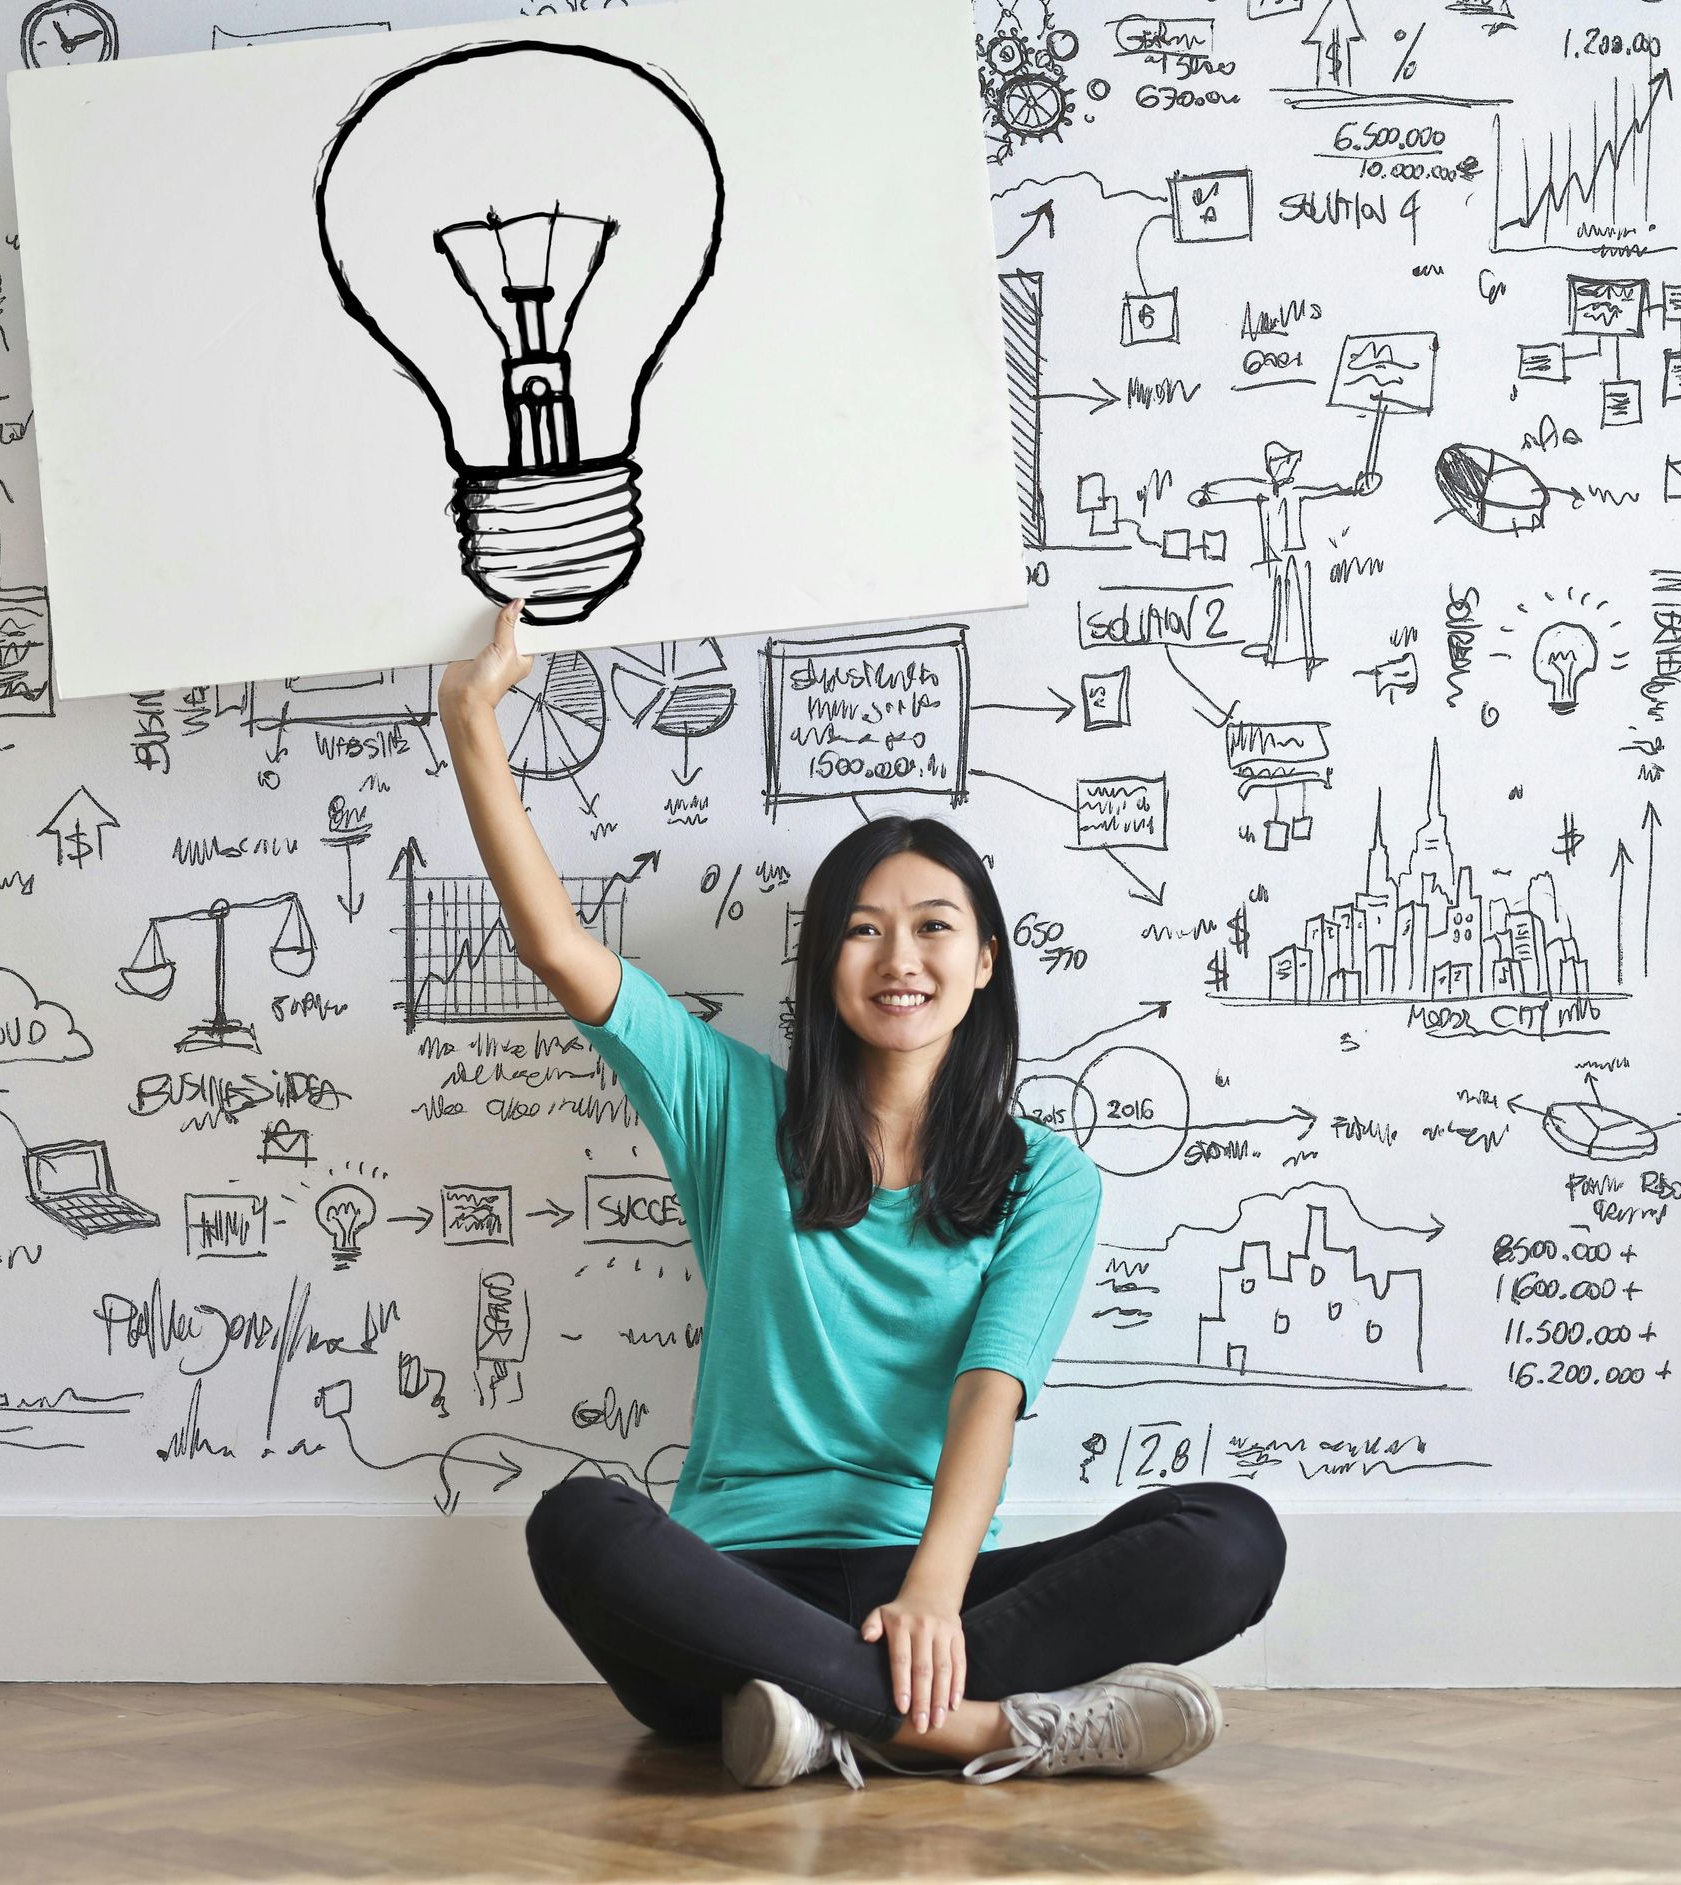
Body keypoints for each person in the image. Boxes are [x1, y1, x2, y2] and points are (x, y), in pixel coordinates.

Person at [437, 600, 1287, 1790]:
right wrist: (469, 716)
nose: (901, 958)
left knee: (1230, 1535)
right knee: (579, 1522)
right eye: (863, 931)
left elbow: (990, 1392)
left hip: (934, 1586)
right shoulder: (731, 1108)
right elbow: (558, 946)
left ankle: (814, 1714)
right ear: (822, 966)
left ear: (984, 959)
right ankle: (978, 1731)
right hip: (731, 1583)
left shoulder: (1049, 1175)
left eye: (935, 926)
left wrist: (934, 1589)